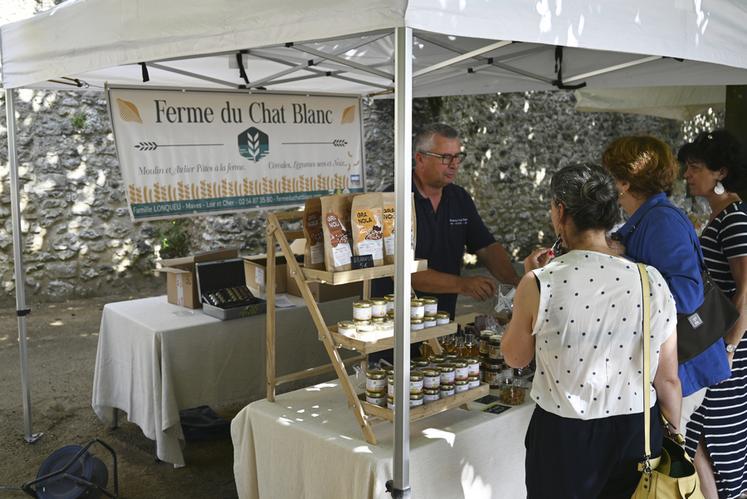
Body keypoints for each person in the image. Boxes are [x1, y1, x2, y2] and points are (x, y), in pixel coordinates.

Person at [502, 163, 681, 499]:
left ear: (560, 211)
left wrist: (527, 285)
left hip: (563, 433)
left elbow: (515, 357)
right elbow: (668, 377)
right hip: (637, 429)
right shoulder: (649, 280)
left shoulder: (541, 282)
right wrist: (671, 429)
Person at [602, 136, 731, 402]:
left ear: (624, 182)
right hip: (674, 369)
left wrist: (627, 267)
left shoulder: (661, 221)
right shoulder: (651, 217)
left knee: (675, 443)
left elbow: (686, 295)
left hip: (682, 367)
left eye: (610, 177)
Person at [373, 123, 520, 318]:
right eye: (445, 157)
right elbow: (404, 270)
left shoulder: (459, 198)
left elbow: (486, 246)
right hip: (394, 321)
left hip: (442, 317)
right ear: (420, 158)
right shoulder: (393, 201)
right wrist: (463, 284)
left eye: (458, 156)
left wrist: (518, 283)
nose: (454, 164)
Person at [680, 129, 747, 499]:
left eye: (695, 167)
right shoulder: (721, 216)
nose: (687, 175)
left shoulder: (735, 219)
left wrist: (730, 349)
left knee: (714, 436)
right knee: (699, 434)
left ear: (720, 172)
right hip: (718, 345)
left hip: (729, 348)